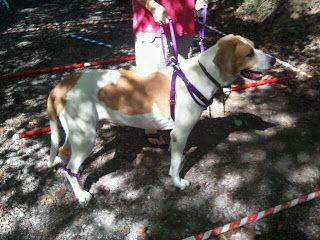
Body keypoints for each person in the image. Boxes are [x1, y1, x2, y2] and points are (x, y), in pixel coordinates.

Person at [132, 0, 207, 147]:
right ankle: (150, 127)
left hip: (184, 24)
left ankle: (173, 120)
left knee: (181, 81)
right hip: (153, 26)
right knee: (151, 83)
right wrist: (151, 5)